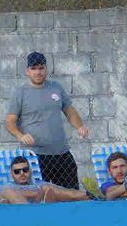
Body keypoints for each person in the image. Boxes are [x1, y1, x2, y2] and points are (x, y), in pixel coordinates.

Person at [5, 51, 89, 189]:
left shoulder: (56, 88)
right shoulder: (20, 93)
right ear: (27, 71)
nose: (38, 72)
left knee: (71, 194)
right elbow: (9, 121)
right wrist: (21, 135)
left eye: (41, 68)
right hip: (36, 156)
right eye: (34, 68)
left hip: (61, 153)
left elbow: (69, 110)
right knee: (41, 196)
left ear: (46, 69)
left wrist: (80, 127)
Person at [3, 156, 99, 203]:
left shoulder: (39, 184)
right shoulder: (9, 186)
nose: (22, 174)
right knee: (46, 189)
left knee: (61, 191)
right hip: (26, 212)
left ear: (30, 171)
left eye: (25, 170)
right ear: (12, 174)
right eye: (17, 171)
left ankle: (92, 195)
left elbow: (64, 191)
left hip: (45, 205)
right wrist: (39, 192)